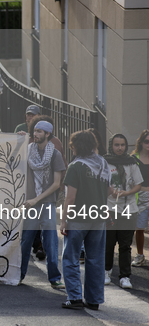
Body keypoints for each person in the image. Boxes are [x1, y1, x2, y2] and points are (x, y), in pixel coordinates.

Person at [60, 130, 111, 310]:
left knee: (70, 257)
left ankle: (74, 297)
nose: (71, 147)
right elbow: (109, 191)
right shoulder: (103, 164)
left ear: (77, 146)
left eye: (72, 144)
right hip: (98, 218)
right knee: (96, 259)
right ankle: (94, 299)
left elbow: (70, 198)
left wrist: (64, 220)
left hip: (78, 217)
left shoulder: (76, 166)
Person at [20, 121, 66, 287]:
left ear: (48, 134)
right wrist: (19, 140)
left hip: (46, 203)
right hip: (30, 204)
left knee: (51, 242)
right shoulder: (28, 150)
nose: (35, 134)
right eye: (34, 131)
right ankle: (19, 275)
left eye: (39, 131)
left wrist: (36, 199)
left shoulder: (55, 155)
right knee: (25, 241)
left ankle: (54, 278)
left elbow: (56, 184)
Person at [103, 134, 143, 289]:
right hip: (110, 207)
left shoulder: (131, 162)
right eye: (116, 145)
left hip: (128, 208)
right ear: (111, 146)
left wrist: (127, 192)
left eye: (122, 145)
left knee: (125, 244)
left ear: (126, 146)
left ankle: (125, 276)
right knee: (108, 242)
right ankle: (106, 271)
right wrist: (109, 190)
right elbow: (101, 182)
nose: (119, 148)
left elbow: (138, 184)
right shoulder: (105, 162)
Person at [132, 130, 149, 267]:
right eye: (146, 141)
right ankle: (140, 255)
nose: (148, 144)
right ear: (141, 142)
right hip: (140, 197)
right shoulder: (133, 158)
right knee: (140, 227)